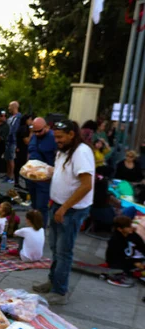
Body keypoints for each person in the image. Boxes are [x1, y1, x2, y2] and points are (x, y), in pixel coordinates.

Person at [33, 120, 94, 305]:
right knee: (55, 247)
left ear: (71, 134)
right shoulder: (64, 150)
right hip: (58, 205)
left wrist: (65, 208)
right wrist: (44, 172)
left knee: (64, 250)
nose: (56, 140)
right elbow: (62, 173)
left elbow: (86, 185)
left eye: (60, 136)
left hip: (71, 210)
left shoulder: (81, 152)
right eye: (55, 136)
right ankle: (53, 281)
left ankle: (60, 291)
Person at [27, 117, 56, 228]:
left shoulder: (53, 138)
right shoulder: (34, 136)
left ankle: (40, 229)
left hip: (44, 178)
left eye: (40, 131)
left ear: (46, 127)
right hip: (32, 176)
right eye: (35, 131)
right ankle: (34, 226)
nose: (38, 133)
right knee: (34, 205)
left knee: (41, 206)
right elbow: (30, 151)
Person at [105, 215, 145, 288]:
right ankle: (116, 277)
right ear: (120, 229)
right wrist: (134, 263)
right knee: (119, 268)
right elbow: (117, 257)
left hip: (134, 259)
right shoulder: (115, 240)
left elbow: (142, 247)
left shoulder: (133, 235)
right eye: (128, 226)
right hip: (121, 262)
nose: (131, 228)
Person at [14, 114, 33, 187]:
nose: (31, 122)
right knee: (23, 167)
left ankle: (17, 182)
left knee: (18, 166)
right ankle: (23, 183)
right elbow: (26, 141)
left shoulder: (23, 128)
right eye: (30, 120)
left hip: (21, 149)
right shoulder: (24, 129)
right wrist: (31, 132)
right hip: (23, 150)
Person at [5, 101, 22, 183]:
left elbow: (13, 130)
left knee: (11, 159)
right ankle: (8, 175)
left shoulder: (18, 117)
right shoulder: (11, 117)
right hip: (8, 141)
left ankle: (11, 177)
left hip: (13, 141)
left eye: (10, 106)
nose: (8, 108)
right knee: (8, 159)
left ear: (14, 107)